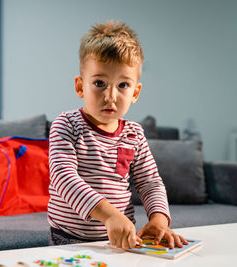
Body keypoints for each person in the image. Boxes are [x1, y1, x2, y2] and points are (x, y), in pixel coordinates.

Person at [48, 21, 188, 250]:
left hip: (123, 238)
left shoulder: (134, 134)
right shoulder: (66, 125)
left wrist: (159, 219)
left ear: (135, 92)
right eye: (99, 83)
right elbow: (64, 178)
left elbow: (150, 182)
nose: (111, 96)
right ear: (80, 86)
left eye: (123, 85)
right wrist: (110, 215)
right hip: (69, 238)